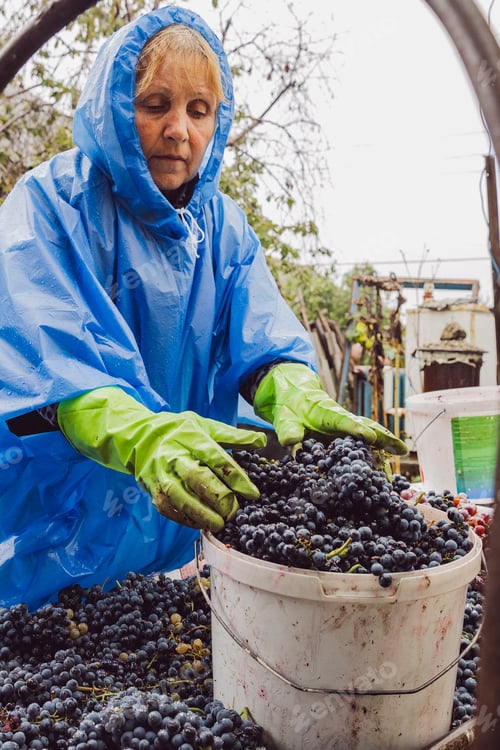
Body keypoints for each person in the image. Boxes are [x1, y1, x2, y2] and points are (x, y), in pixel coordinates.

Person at [0, 5, 406, 610]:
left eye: (199, 110)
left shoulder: (222, 231)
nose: (178, 130)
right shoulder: (49, 206)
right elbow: (46, 358)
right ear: (112, 110)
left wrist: (293, 388)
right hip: (43, 554)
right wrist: (140, 434)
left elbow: (262, 335)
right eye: (154, 104)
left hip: (169, 553)